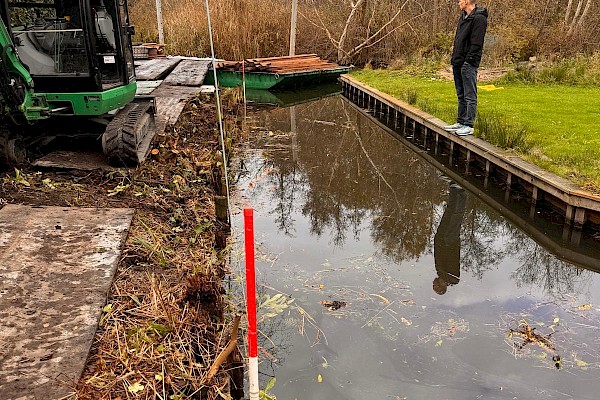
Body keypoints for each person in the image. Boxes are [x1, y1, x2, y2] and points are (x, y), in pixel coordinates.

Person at [444, 0, 488, 137]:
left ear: (467, 1)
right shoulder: (463, 17)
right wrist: (455, 59)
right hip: (458, 61)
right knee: (460, 93)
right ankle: (461, 120)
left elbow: (476, 44)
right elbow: (459, 40)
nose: (458, 3)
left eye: (460, 1)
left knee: (470, 95)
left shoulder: (479, 18)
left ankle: (469, 125)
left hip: (468, 63)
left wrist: (468, 62)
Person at [433, 182, 466, 295]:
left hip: (442, 240)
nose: (434, 283)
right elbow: (455, 277)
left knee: (449, 214)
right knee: (455, 216)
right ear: (441, 286)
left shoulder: (441, 273)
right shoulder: (451, 277)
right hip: (449, 242)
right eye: (436, 286)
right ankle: (461, 192)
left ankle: (454, 190)